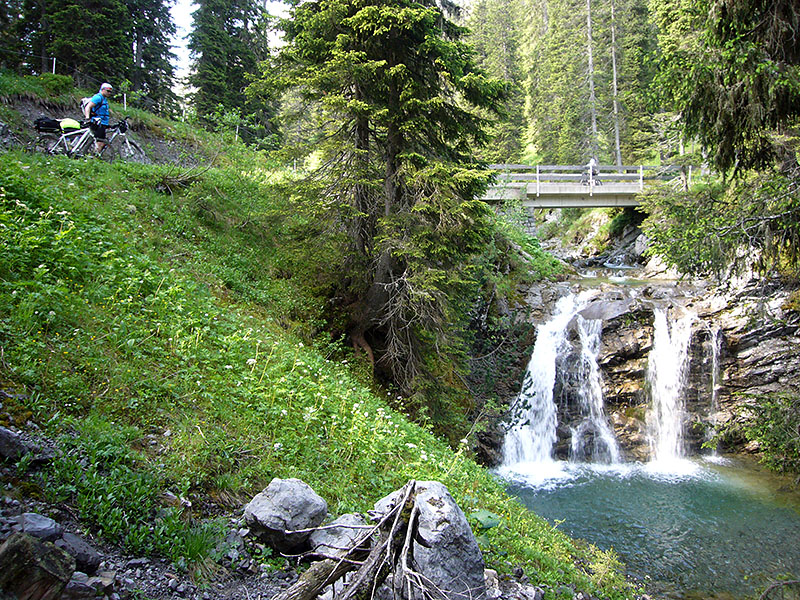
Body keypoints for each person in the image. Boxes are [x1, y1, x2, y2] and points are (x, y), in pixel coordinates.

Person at [84, 82, 113, 154]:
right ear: (102, 89)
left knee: (102, 141)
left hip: (103, 123)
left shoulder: (104, 99)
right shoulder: (98, 97)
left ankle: (95, 156)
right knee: (100, 141)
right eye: (108, 91)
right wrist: (87, 118)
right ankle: (94, 157)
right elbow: (88, 107)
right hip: (97, 122)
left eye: (111, 92)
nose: (109, 93)